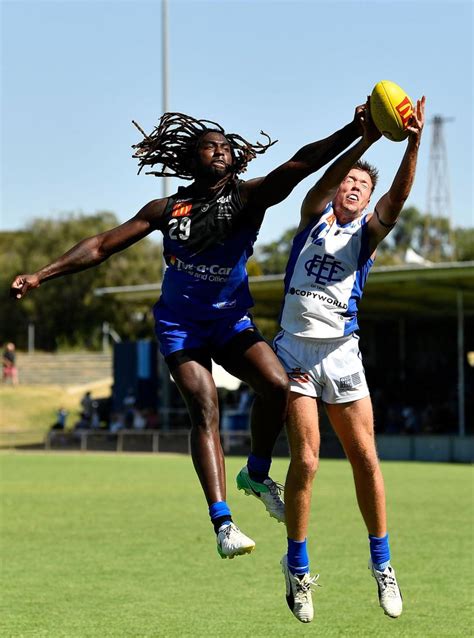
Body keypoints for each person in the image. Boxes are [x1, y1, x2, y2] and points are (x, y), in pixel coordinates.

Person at [10, 107, 366, 560]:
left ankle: (256, 473)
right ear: (191, 157)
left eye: (226, 147)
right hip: (181, 326)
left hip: (230, 321)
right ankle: (223, 523)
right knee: (206, 408)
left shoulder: (249, 199)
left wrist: (356, 130)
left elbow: (301, 164)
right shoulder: (165, 209)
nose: (220, 150)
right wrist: (41, 274)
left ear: (235, 159)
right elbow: (100, 246)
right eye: (210, 146)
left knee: (277, 386)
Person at [271, 97, 425, 622]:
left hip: (340, 352)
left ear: (370, 198)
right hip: (294, 350)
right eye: (349, 182)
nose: (354, 187)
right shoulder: (312, 216)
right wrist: (365, 139)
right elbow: (319, 184)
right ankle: (297, 568)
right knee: (308, 461)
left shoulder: (368, 233)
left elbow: (397, 201)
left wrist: (413, 143)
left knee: (365, 458)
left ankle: (382, 564)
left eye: (363, 186)